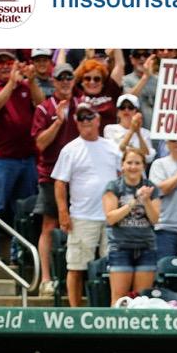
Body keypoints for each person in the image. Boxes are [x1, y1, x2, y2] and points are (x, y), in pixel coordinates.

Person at [53, 103, 122, 306]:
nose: (85, 122)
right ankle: (75, 311)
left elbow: (122, 176)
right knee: (76, 266)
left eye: (89, 117)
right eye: (81, 118)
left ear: (98, 120)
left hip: (111, 217)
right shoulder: (70, 149)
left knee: (114, 267)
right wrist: (63, 213)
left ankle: (112, 309)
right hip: (82, 216)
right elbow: (59, 183)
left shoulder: (112, 147)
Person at [0, 51, 43, 263]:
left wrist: (31, 81)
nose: (5, 66)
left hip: (26, 158)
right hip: (0, 159)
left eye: (10, 62)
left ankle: (19, 253)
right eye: (1, 62)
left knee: (23, 209)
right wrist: (11, 84)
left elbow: (42, 106)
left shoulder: (25, 87)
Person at [31, 62, 78, 296]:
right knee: (50, 225)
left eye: (69, 77)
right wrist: (58, 122)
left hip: (78, 178)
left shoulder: (82, 107)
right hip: (50, 174)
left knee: (78, 226)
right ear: (53, 81)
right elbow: (39, 143)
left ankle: (73, 279)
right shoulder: (43, 108)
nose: (66, 82)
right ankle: (46, 279)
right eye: (61, 78)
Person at [102, 147, 160, 304]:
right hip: (120, 247)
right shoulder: (113, 186)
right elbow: (111, 218)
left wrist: (146, 200)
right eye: (129, 162)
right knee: (119, 299)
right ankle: (115, 328)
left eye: (137, 163)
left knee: (142, 300)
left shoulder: (151, 187)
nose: (133, 167)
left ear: (143, 166)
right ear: (122, 165)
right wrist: (134, 201)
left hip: (146, 247)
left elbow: (155, 219)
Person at [149, 139, 177, 258]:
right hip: (166, 228)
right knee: (165, 272)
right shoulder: (159, 164)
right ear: (167, 144)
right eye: (173, 141)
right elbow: (161, 190)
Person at [103, 93, 155, 165]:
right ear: (118, 112)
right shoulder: (109, 129)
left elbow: (148, 157)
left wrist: (138, 133)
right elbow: (115, 153)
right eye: (122, 107)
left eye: (130, 107)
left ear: (136, 112)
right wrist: (131, 131)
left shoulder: (146, 133)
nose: (126, 110)